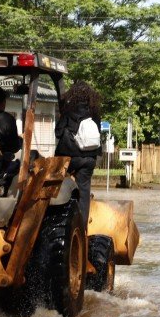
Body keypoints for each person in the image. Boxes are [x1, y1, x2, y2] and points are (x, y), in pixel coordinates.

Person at [55, 81, 102, 228]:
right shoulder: (94, 111)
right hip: (89, 158)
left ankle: (61, 221)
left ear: (72, 94)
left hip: (68, 157)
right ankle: (82, 228)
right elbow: (97, 134)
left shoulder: (68, 110)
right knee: (84, 191)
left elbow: (58, 132)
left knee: (59, 187)